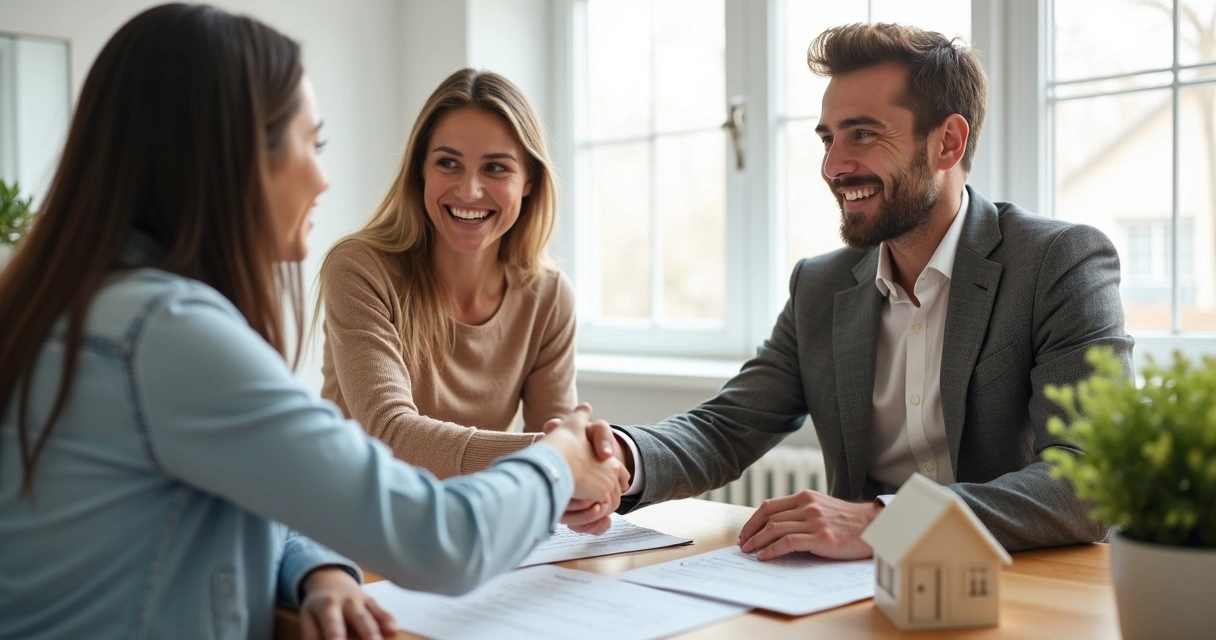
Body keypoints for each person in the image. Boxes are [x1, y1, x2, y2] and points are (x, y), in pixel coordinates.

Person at [0, 5, 623, 639]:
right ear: (233, 158)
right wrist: (557, 458)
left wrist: (318, 565)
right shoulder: (172, 336)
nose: (324, 178)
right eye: (312, 143)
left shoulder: (78, 306)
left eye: (496, 167)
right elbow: (441, 540)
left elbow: (264, 492)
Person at [564, 22, 1133, 558]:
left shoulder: (1058, 262)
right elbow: (726, 427)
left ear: (948, 143)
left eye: (862, 134)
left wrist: (886, 523)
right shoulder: (820, 285)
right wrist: (618, 457)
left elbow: (1087, 479)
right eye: (828, 138)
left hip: (1015, 583)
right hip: (850, 589)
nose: (833, 166)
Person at [316, 69, 580, 483]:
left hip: (472, 520)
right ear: (420, 169)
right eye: (448, 163)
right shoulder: (359, 269)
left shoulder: (549, 296)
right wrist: (559, 455)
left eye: (495, 168)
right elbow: (388, 432)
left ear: (529, 180)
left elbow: (559, 458)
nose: (470, 190)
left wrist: (580, 467)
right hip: (349, 520)